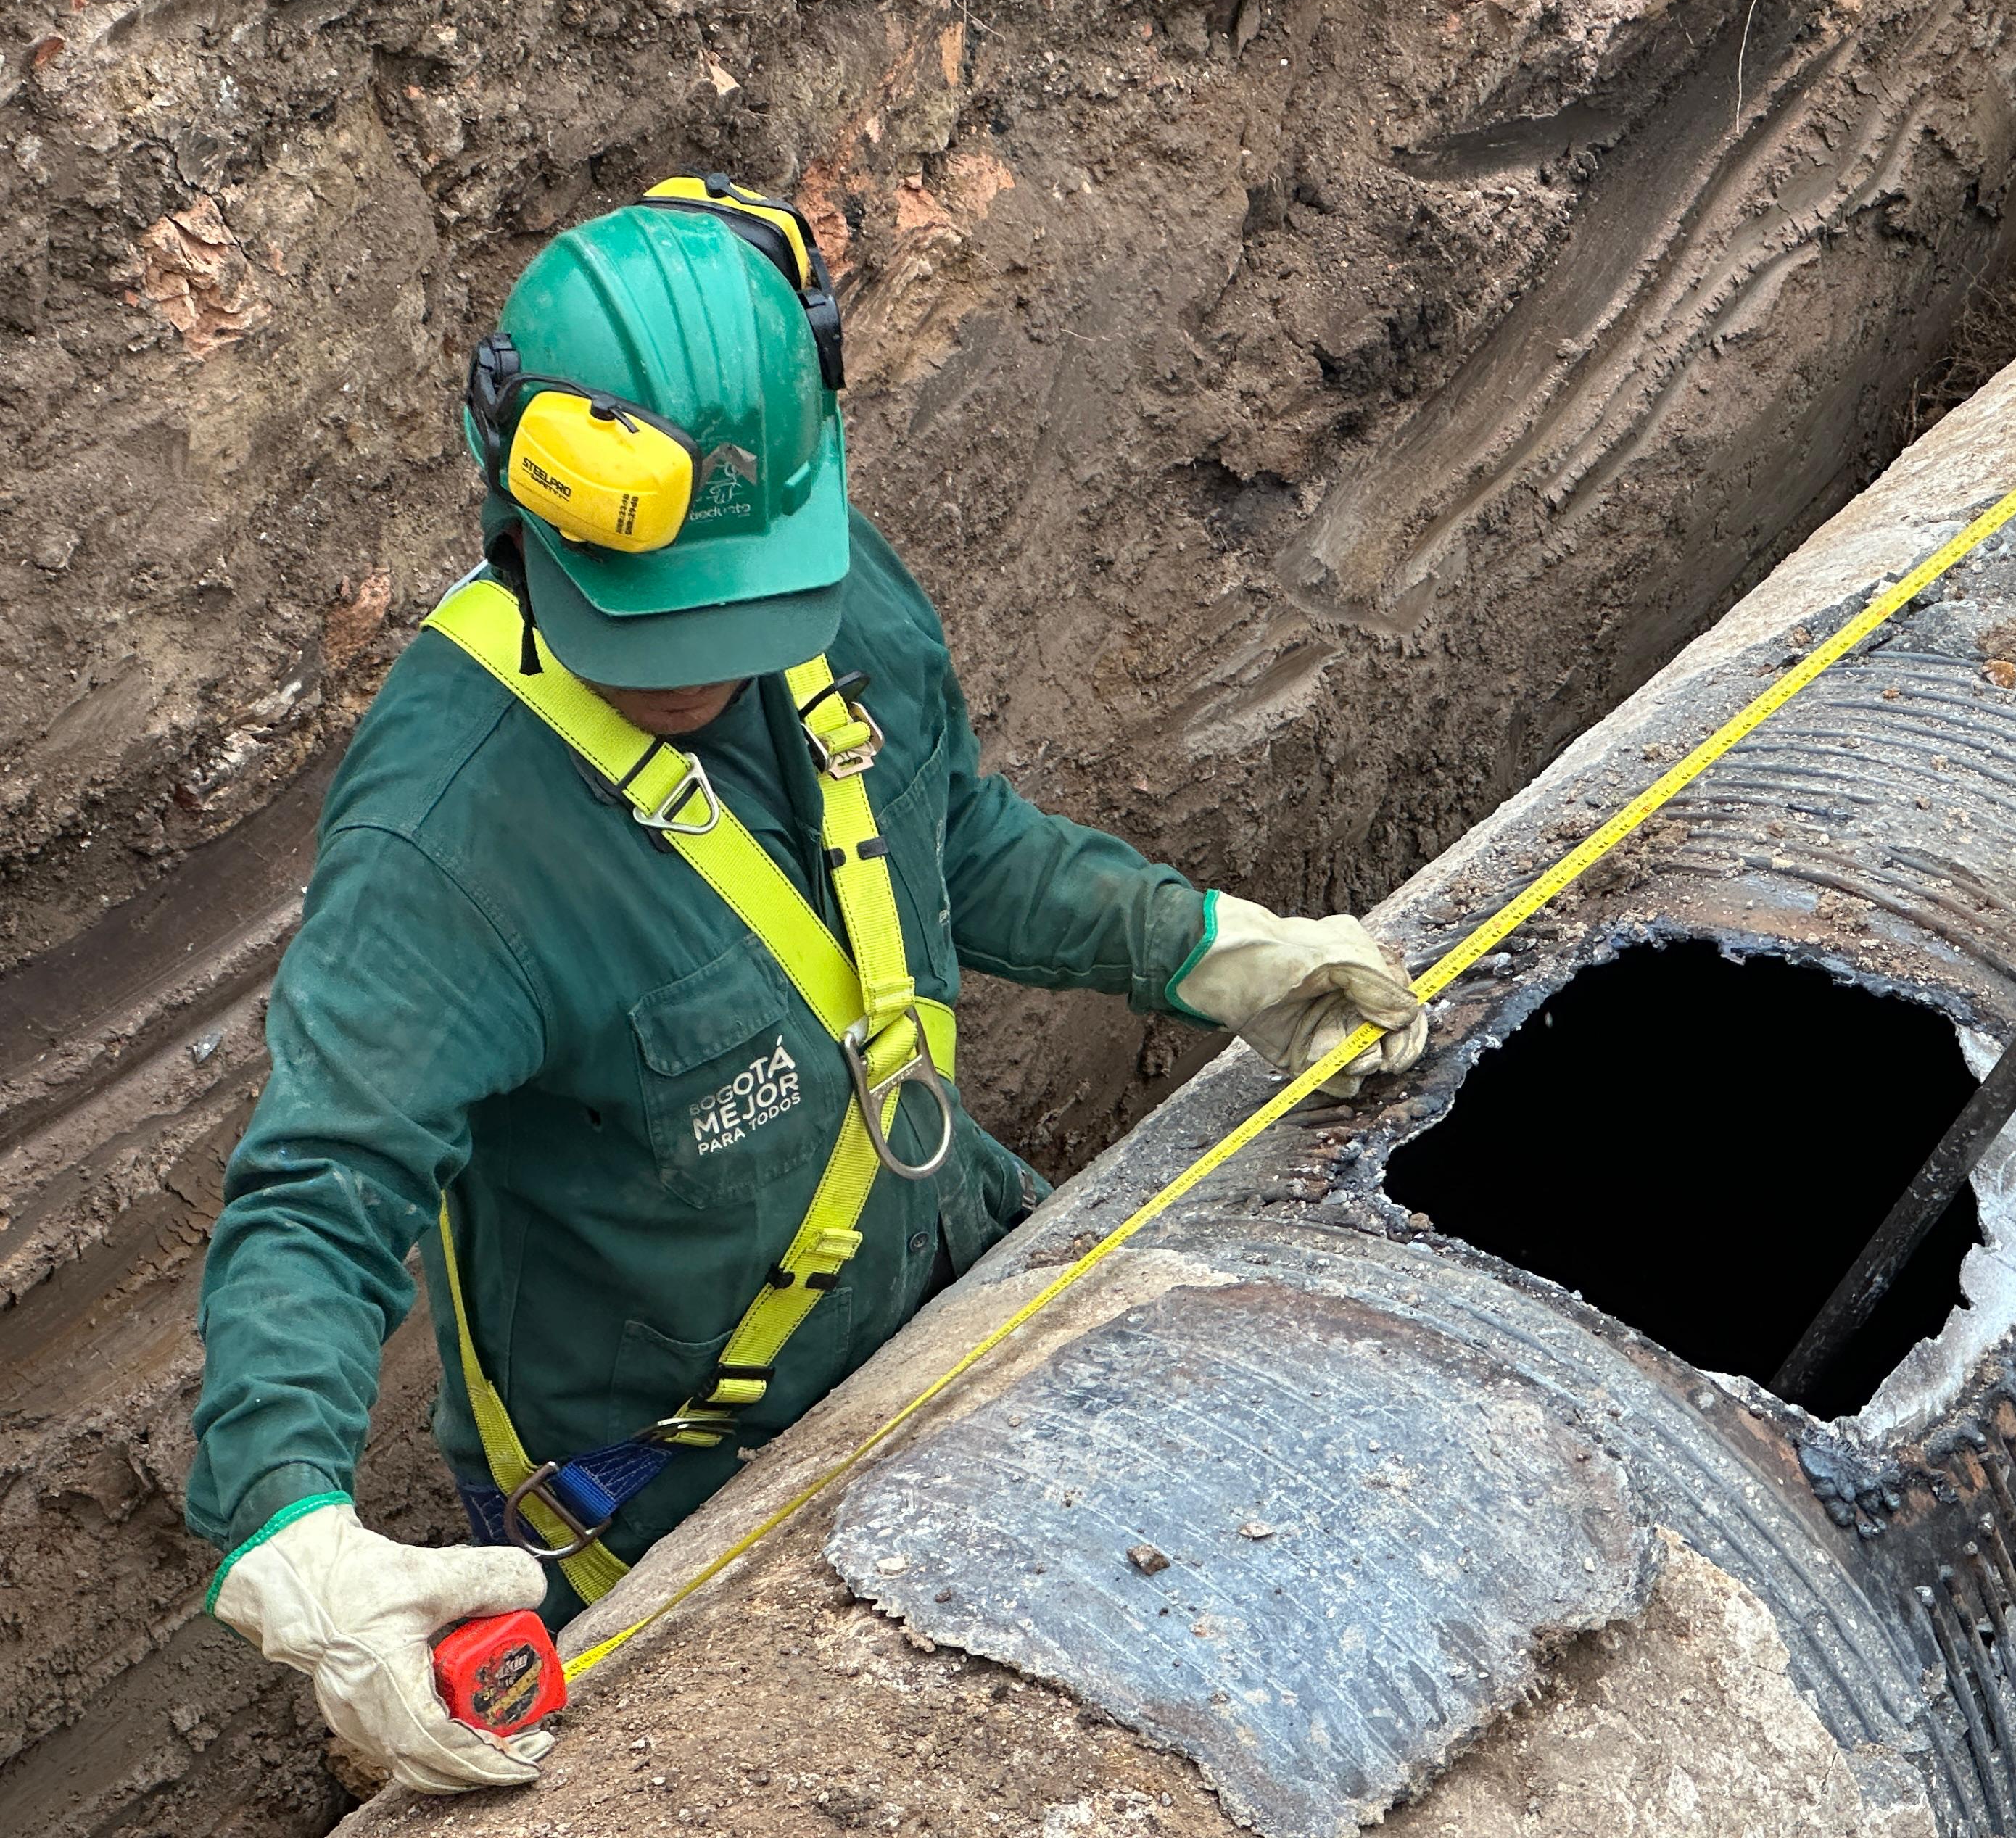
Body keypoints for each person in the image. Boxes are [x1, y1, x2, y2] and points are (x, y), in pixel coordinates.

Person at [185, 179, 1427, 1792]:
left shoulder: (812, 572)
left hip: (957, 1268)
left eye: (751, 603)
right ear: (533, 514)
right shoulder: (447, 845)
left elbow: (951, 838)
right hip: (676, 1478)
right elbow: (319, 1186)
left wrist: (1201, 949)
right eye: (661, 623)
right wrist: (288, 1523)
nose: (714, 658)